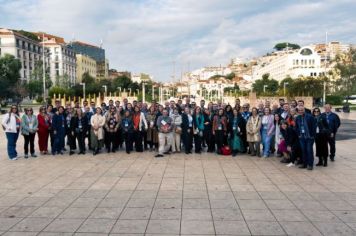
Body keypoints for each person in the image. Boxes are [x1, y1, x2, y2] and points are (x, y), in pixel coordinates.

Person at [295, 106, 317, 170]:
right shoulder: (297, 118)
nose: (300, 111)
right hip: (302, 137)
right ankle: (304, 164)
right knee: (303, 150)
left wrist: (312, 135)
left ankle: (310, 164)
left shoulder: (310, 117)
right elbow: (296, 127)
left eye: (302, 110)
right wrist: (298, 134)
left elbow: (314, 126)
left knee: (309, 150)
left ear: (304, 110)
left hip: (309, 137)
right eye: (299, 110)